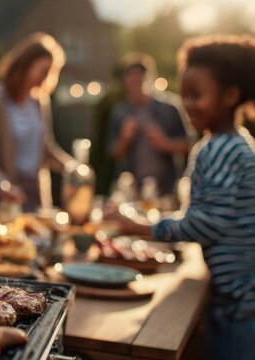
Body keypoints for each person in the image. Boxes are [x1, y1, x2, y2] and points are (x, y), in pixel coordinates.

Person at [109, 35, 255, 359]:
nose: (187, 103)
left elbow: (204, 223)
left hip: (238, 306)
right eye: (185, 93)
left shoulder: (218, 149)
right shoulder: (235, 142)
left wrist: (142, 228)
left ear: (230, 95)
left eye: (197, 95)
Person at [0, 32, 73, 214]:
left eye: (51, 73)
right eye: (44, 70)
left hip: (35, 195)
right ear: (26, 64)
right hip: (1, 199)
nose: (46, 77)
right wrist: (2, 185)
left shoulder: (40, 102)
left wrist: (71, 167)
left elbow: (45, 148)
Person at [109, 52, 190, 196]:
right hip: (133, 189)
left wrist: (165, 143)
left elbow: (189, 144)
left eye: (140, 76)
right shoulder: (120, 113)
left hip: (167, 188)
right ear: (125, 81)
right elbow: (114, 153)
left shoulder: (169, 108)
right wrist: (125, 138)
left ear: (150, 78)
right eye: (131, 77)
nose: (136, 81)